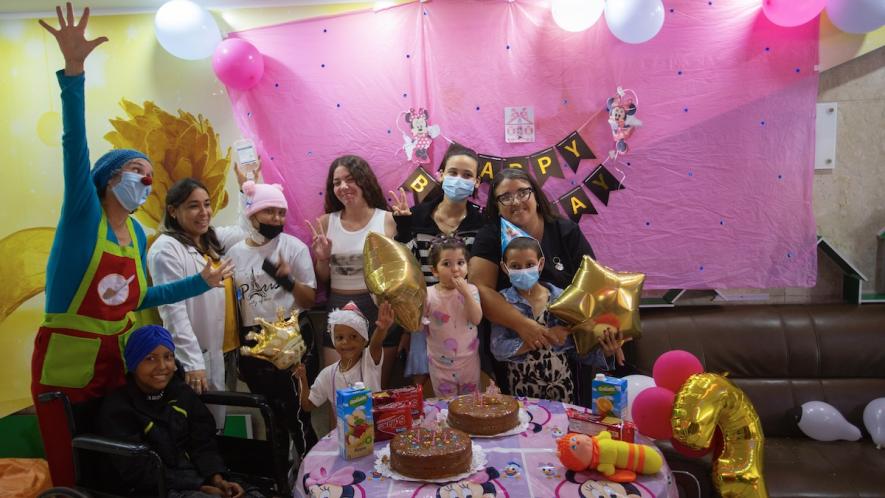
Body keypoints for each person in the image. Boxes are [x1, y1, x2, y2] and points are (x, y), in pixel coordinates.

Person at [32, 4, 232, 486]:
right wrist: (74, 75)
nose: (145, 184)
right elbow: (73, 146)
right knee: (75, 467)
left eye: (148, 178)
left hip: (119, 362)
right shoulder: (85, 218)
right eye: (133, 175)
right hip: (69, 360)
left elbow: (143, 298)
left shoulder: (139, 233)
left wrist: (198, 281)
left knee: (120, 462)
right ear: (105, 181)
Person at [468, 168, 623, 407]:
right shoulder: (490, 237)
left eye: (523, 192)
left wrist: (607, 334)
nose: (516, 201)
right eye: (505, 197)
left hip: (568, 362)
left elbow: (594, 287)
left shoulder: (565, 231)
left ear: (536, 196)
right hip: (514, 367)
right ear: (496, 206)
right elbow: (479, 289)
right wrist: (524, 326)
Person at [99, 325, 263, 497]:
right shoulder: (118, 409)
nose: (162, 366)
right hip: (154, 487)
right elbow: (138, 471)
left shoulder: (181, 392)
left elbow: (203, 443)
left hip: (197, 476)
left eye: (168, 357)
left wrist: (217, 478)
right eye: (150, 358)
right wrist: (199, 486)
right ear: (133, 364)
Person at [227, 180, 319, 460]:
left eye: (282, 213)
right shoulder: (234, 253)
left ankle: (312, 478)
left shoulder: (294, 248)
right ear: (252, 214)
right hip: (254, 342)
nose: (277, 219)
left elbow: (309, 300)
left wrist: (287, 280)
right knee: (270, 416)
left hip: (293, 337)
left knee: (298, 415)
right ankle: (282, 480)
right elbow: (233, 305)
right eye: (270, 212)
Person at [147, 178, 248, 430]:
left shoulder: (210, 240)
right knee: (199, 428)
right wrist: (193, 363)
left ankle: (217, 468)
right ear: (173, 211)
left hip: (226, 350)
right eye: (193, 206)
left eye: (206, 204)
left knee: (217, 423)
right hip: (196, 356)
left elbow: (246, 228)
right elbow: (172, 310)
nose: (204, 213)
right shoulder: (166, 249)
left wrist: (246, 186)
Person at [391, 143, 485, 390]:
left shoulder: (483, 223)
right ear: (440, 174)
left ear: (477, 182)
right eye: (452, 172)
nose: (459, 179)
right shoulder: (415, 217)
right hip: (427, 319)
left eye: (467, 175)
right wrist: (402, 228)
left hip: (466, 324)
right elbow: (404, 270)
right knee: (428, 389)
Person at [306, 155, 399, 388]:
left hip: (379, 309)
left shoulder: (388, 220)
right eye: (337, 182)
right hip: (339, 308)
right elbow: (324, 278)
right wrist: (322, 258)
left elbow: (400, 276)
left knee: (376, 395)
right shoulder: (326, 223)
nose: (343, 187)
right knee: (339, 396)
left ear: (364, 180)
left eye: (350, 179)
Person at [490, 236, 612, 404]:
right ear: (505, 268)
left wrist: (605, 350)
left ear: (540, 264)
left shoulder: (562, 298)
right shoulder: (502, 303)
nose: (523, 271)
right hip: (522, 392)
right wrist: (544, 336)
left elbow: (579, 348)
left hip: (562, 389)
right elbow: (498, 349)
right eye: (515, 267)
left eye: (530, 264)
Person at [294, 301, 394, 420]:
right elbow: (307, 405)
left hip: (377, 433)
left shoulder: (369, 360)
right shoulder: (328, 375)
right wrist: (302, 379)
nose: (346, 342)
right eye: (340, 337)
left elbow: (375, 345)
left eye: (353, 337)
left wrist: (381, 330)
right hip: (347, 438)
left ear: (364, 340)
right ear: (333, 340)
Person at [417, 236, 483, 397]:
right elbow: (418, 326)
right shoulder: (428, 294)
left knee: (471, 403)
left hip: (469, 361)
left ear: (467, 266)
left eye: (460, 263)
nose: (455, 269)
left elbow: (476, 319)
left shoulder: (472, 290)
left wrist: (466, 294)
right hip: (440, 365)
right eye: (447, 264)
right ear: (434, 270)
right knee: (446, 405)